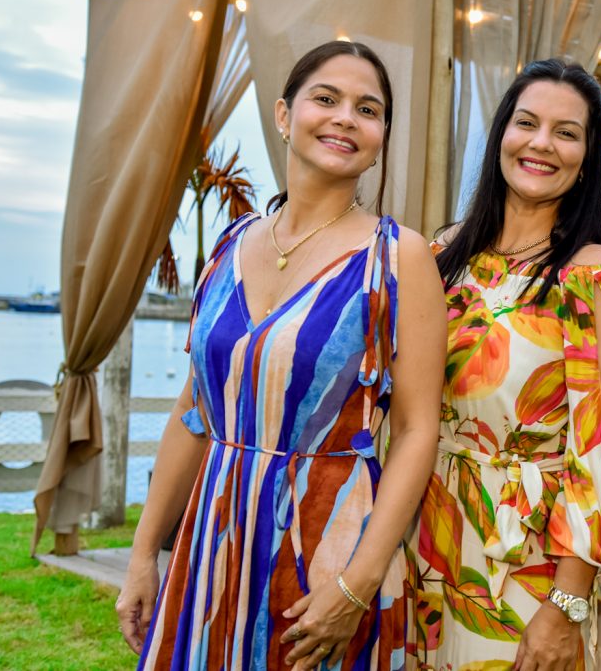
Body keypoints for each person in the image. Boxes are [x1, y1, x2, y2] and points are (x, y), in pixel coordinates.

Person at [115, 41, 447, 670]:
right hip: (211, 544)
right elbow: (194, 413)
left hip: (327, 553)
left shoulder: (399, 257)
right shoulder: (229, 247)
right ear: (283, 115)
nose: (346, 117)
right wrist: (142, 555)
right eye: (327, 98)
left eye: (368, 109)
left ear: (381, 137)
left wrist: (358, 583)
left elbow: (414, 430)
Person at [406, 59, 601, 670]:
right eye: (527, 123)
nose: (541, 143)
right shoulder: (440, 255)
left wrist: (566, 603)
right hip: (417, 532)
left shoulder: (594, 276)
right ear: (501, 137)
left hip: (524, 558)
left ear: (587, 159)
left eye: (566, 133)